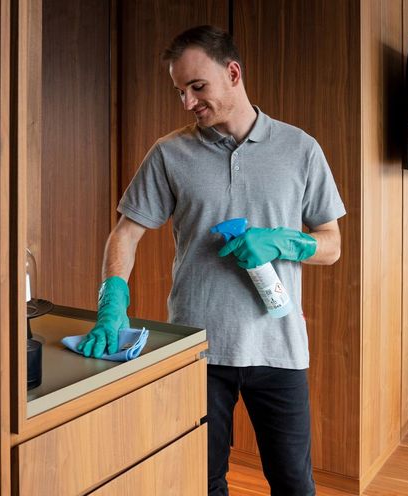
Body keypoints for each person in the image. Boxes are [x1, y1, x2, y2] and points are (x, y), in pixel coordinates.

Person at [77, 25, 345, 496]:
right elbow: (127, 232)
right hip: (195, 347)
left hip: (278, 347)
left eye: (197, 87)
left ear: (233, 73)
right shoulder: (170, 153)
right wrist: (111, 301)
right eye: (180, 91)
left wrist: (285, 242)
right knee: (200, 483)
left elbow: (332, 244)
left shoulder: (300, 149)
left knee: (293, 484)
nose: (188, 102)